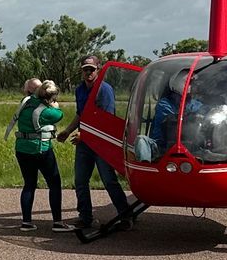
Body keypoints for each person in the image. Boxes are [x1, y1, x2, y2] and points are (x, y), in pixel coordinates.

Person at [54, 55, 135, 236]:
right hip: (84, 143)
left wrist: (85, 134)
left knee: (109, 180)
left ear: (98, 70)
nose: (88, 73)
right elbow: (81, 114)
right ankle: (85, 217)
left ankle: (126, 215)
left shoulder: (105, 90)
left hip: (101, 141)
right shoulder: (80, 90)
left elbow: (106, 119)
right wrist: (67, 131)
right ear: (81, 71)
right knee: (80, 180)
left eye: (92, 69)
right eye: (85, 69)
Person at [12, 80, 68, 232]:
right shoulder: (46, 111)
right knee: (54, 183)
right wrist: (55, 106)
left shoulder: (26, 103)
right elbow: (59, 115)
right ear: (50, 97)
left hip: (22, 149)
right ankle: (57, 222)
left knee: (29, 185)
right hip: (40, 149)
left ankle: (26, 222)